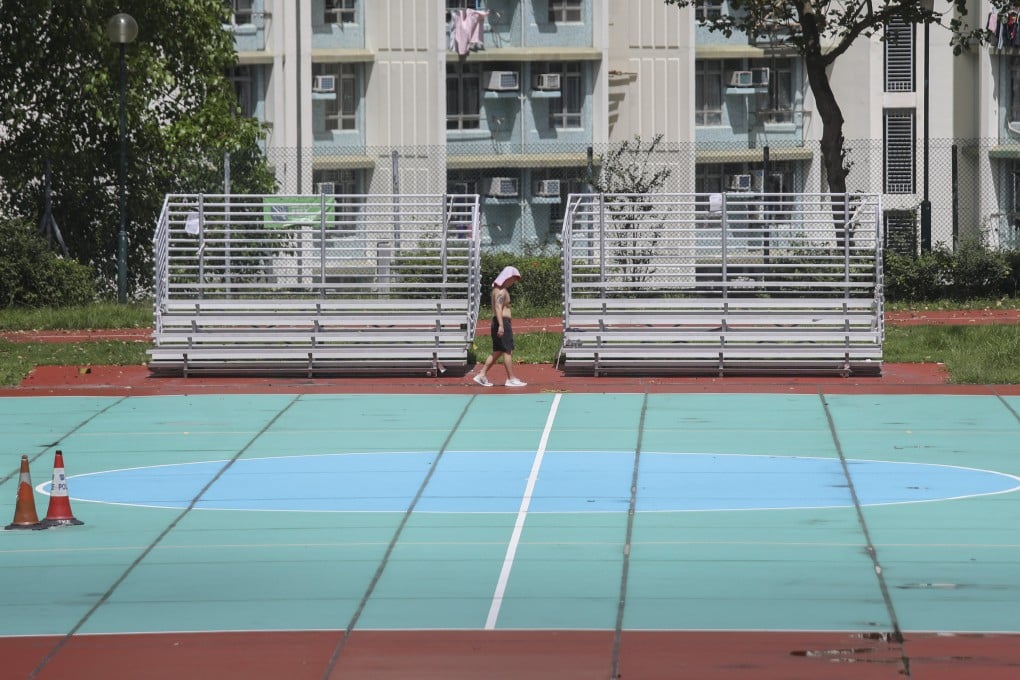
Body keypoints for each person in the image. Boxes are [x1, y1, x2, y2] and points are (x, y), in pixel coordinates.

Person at [473, 266, 527, 387]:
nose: (513, 282)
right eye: (512, 279)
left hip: (499, 322)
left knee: (498, 351)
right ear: (507, 277)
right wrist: (501, 325)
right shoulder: (501, 291)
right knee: (507, 351)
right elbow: (498, 308)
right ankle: (511, 379)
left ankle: (481, 375)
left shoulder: (497, 290)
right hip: (501, 322)